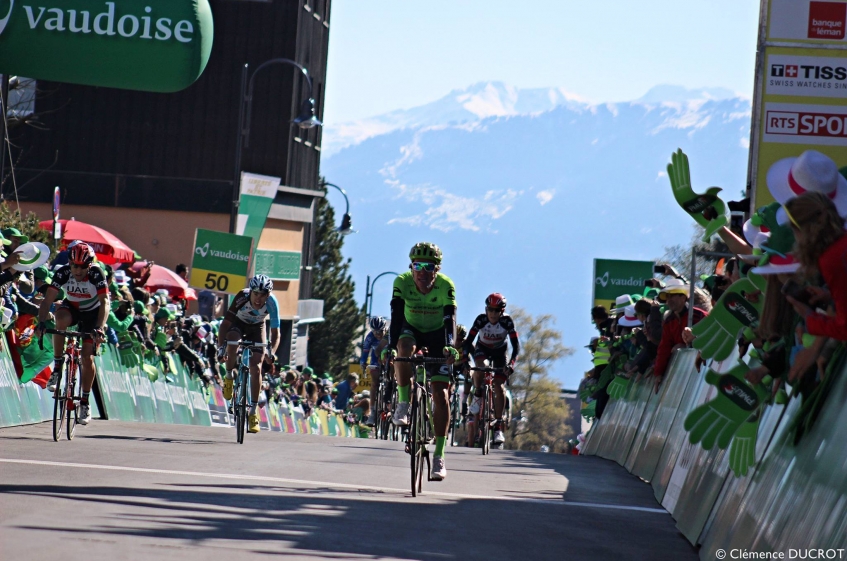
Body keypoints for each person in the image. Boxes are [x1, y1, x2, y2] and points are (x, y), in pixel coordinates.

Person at [386, 242, 458, 481]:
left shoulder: (446, 286)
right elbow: (396, 317)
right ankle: (404, 403)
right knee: (402, 349)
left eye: (429, 266)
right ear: (411, 266)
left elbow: (450, 320)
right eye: (418, 266)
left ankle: (439, 455)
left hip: (438, 335)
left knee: (441, 396)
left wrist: (450, 345)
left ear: (437, 269)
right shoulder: (402, 282)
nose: (423, 272)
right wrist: (389, 346)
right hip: (411, 328)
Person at [36, 242, 108, 425]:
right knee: (60, 319)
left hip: (93, 313)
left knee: (86, 357)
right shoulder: (62, 272)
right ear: (69, 263)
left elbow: (105, 302)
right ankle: (58, 366)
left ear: (89, 265)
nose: (78, 270)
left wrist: (99, 328)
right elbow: (47, 300)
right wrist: (41, 323)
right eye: (74, 265)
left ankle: (84, 401)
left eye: (82, 266)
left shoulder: (97, 274)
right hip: (73, 308)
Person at [216, 274, 281, 434]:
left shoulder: (272, 303)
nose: (259, 299)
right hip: (238, 324)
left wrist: (271, 352)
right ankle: (229, 377)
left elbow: (276, 333)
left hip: (257, 328)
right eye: (256, 294)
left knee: (256, 367)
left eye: (263, 295)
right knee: (232, 343)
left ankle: (252, 412)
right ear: (250, 292)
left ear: (268, 295)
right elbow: (225, 324)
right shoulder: (241, 297)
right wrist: (220, 348)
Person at [463, 293, 520, 446]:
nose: (493, 314)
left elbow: (516, 346)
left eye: (497, 310)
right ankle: (477, 394)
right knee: (480, 368)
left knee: (499, 386)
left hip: (500, 352)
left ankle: (498, 427)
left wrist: (511, 364)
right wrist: (465, 360)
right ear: (486, 309)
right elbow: (468, 342)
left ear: (502, 311)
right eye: (490, 310)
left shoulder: (507, 322)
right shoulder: (481, 320)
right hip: (482, 348)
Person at [652, 279, 707, 392]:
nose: (669, 300)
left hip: (701, 371)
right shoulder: (669, 321)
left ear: (683, 297)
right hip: (682, 373)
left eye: (672, 296)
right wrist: (658, 373)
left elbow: (709, 338)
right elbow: (664, 348)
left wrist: (686, 346)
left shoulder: (699, 316)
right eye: (667, 297)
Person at [362, 316, 388, 426]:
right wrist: (363, 363)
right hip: (375, 359)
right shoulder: (370, 337)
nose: (377, 334)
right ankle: (372, 412)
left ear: (385, 328)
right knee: (374, 382)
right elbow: (365, 352)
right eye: (375, 331)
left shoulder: (389, 335)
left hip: (388, 358)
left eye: (380, 331)